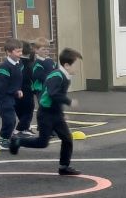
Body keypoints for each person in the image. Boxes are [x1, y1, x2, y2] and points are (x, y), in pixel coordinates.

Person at [11, 47, 82, 175]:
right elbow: (52, 93)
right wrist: (69, 102)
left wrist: (62, 113)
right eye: (76, 65)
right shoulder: (57, 76)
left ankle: (64, 167)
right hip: (46, 114)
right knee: (42, 143)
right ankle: (17, 141)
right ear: (66, 65)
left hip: (56, 113)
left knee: (67, 139)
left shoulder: (65, 76)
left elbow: (56, 98)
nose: (78, 68)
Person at [0, 40, 24, 148]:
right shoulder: (4, 67)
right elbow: (0, 86)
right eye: (17, 51)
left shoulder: (18, 64)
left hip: (10, 96)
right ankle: (2, 139)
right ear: (9, 52)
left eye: (21, 51)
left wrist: (18, 89)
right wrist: (13, 92)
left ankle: (5, 138)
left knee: (11, 120)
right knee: (10, 120)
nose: (20, 54)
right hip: (3, 98)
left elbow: (17, 80)